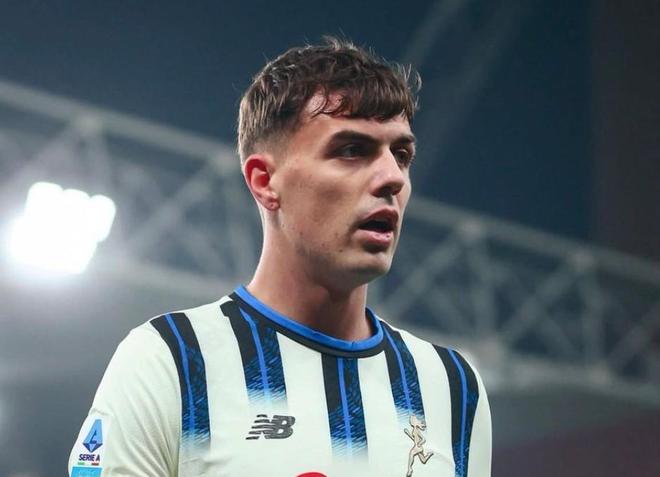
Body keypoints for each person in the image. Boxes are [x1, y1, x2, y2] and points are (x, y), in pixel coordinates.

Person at [69, 36, 492, 477]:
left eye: (401, 155)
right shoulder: (169, 361)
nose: (393, 178)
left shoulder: (453, 387)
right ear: (265, 181)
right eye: (352, 150)